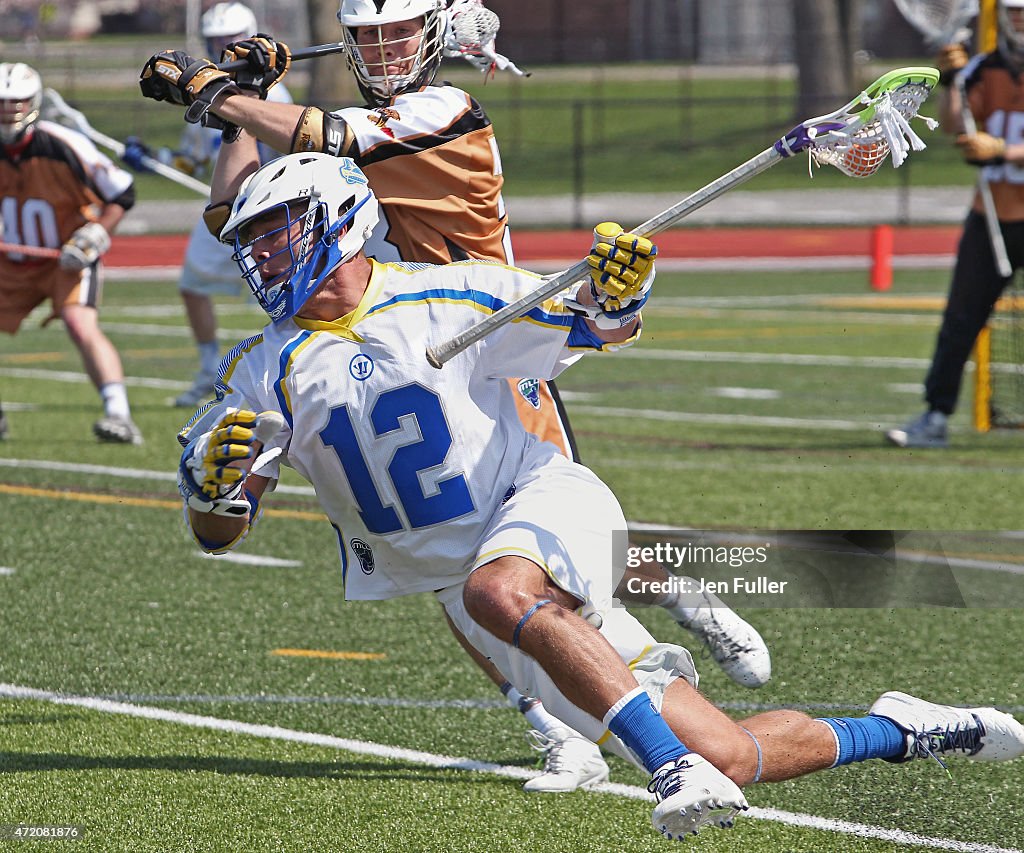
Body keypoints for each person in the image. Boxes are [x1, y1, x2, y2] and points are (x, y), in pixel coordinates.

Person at [174, 152, 1024, 840]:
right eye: (255, 242)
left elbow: (595, 320)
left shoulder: (444, 296)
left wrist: (621, 292)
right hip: (469, 590)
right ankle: (906, 727)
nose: (263, 257)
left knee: (499, 588)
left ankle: (666, 766)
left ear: (341, 222)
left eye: (278, 234)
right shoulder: (263, 367)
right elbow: (221, 530)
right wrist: (208, 490)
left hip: (541, 504)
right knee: (729, 753)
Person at [137, 0, 770, 792]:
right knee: (440, 548)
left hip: (484, 337)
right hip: (387, 333)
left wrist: (221, 90)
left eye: (396, 31)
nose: (380, 49)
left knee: (503, 547)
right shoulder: (325, 136)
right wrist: (233, 107)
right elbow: (238, 211)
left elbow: (320, 138)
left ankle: (679, 604)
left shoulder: (445, 108)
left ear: (434, 33)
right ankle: (555, 723)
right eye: (365, 36)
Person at [123, 2, 294, 410]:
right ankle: (207, 372)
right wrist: (153, 159)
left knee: (286, 294)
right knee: (192, 287)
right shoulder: (207, 92)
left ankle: (287, 379)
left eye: (231, 40)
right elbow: (194, 159)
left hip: (269, 209)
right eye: (216, 41)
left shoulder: (273, 93)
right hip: (224, 207)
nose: (223, 48)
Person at [887, 0, 1024, 449]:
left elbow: (996, 146)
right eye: (1013, 9)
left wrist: (1003, 151)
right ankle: (935, 417)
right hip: (992, 218)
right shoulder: (987, 68)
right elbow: (955, 127)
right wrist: (952, 83)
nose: (1019, 16)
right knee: (960, 321)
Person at [0, 62, 142, 444]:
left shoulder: (61, 144)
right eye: (1, 103)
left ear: (32, 103)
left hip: (67, 256)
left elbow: (122, 193)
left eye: (15, 102)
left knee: (80, 324)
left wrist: (95, 232)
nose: (7, 111)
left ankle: (119, 415)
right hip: (12, 260)